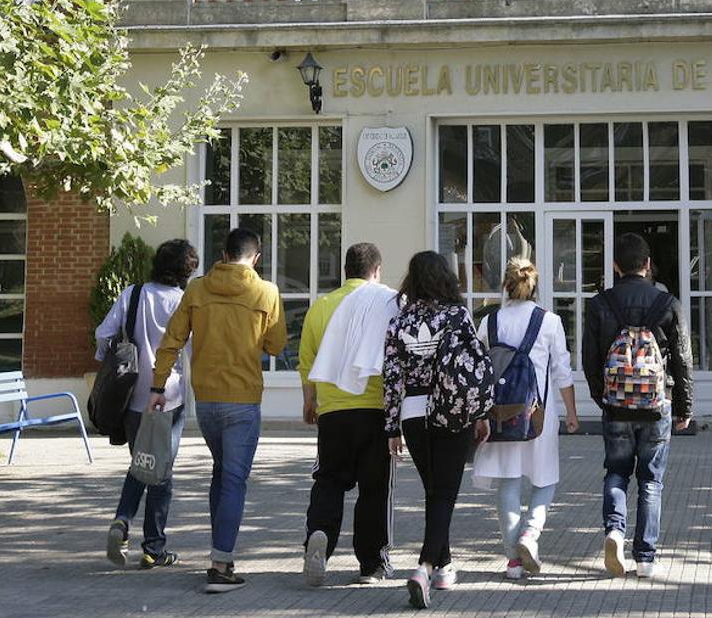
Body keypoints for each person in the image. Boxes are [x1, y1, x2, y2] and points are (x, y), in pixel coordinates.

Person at [150, 227, 286, 593]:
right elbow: (275, 346)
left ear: (223, 255)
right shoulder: (266, 291)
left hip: (206, 401)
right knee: (234, 480)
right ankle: (220, 564)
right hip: (242, 399)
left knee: (222, 474)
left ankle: (218, 553)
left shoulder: (196, 289)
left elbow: (171, 341)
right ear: (255, 258)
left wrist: (157, 386)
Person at [382, 251, 493, 609]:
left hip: (413, 415)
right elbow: (473, 367)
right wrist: (482, 412)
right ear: (445, 278)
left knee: (434, 490)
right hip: (452, 410)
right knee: (443, 492)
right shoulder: (457, 315)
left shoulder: (400, 321)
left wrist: (391, 427)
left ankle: (444, 566)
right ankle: (425, 567)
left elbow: (391, 376)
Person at [582, 233, 693, 579]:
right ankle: (645, 558)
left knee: (616, 471)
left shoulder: (600, 304)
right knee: (651, 481)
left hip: (616, 405)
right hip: (655, 404)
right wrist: (684, 408)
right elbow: (683, 361)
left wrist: (603, 396)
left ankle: (614, 530)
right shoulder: (668, 303)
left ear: (615, 266)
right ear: (647, 266)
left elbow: (589, 359)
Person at [473, 257, 579, 580]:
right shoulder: (549, 322)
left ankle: (513, 562)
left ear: (505, 285)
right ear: (535, 286)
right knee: (544, 479)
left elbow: (478, 372)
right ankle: (530, 535)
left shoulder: (489, 322)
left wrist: (478, 415)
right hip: (538, 418)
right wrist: (572, 414)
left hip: (499, 416)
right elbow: (562, 372)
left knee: (508, 483)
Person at [299, 242, 399, 587]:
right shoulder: (388, 302)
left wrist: (310, 401)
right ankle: (372, 564)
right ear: (377, 270)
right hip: (375, 409)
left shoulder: (321, 306)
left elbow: (307, 361)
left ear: (345, 270)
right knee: (374, 489)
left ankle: (319, 536)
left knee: (329, 481)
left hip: (333, 410)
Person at [98, 239, 199, 570]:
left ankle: (123, 520)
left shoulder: (134, 293)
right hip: (169, 396)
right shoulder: (183, 301)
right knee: (161, 472)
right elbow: (195, 345)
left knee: (142, 464)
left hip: (132, 395)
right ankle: (154, 546)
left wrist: (107, 360)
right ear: (186, 270)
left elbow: (104, 333)